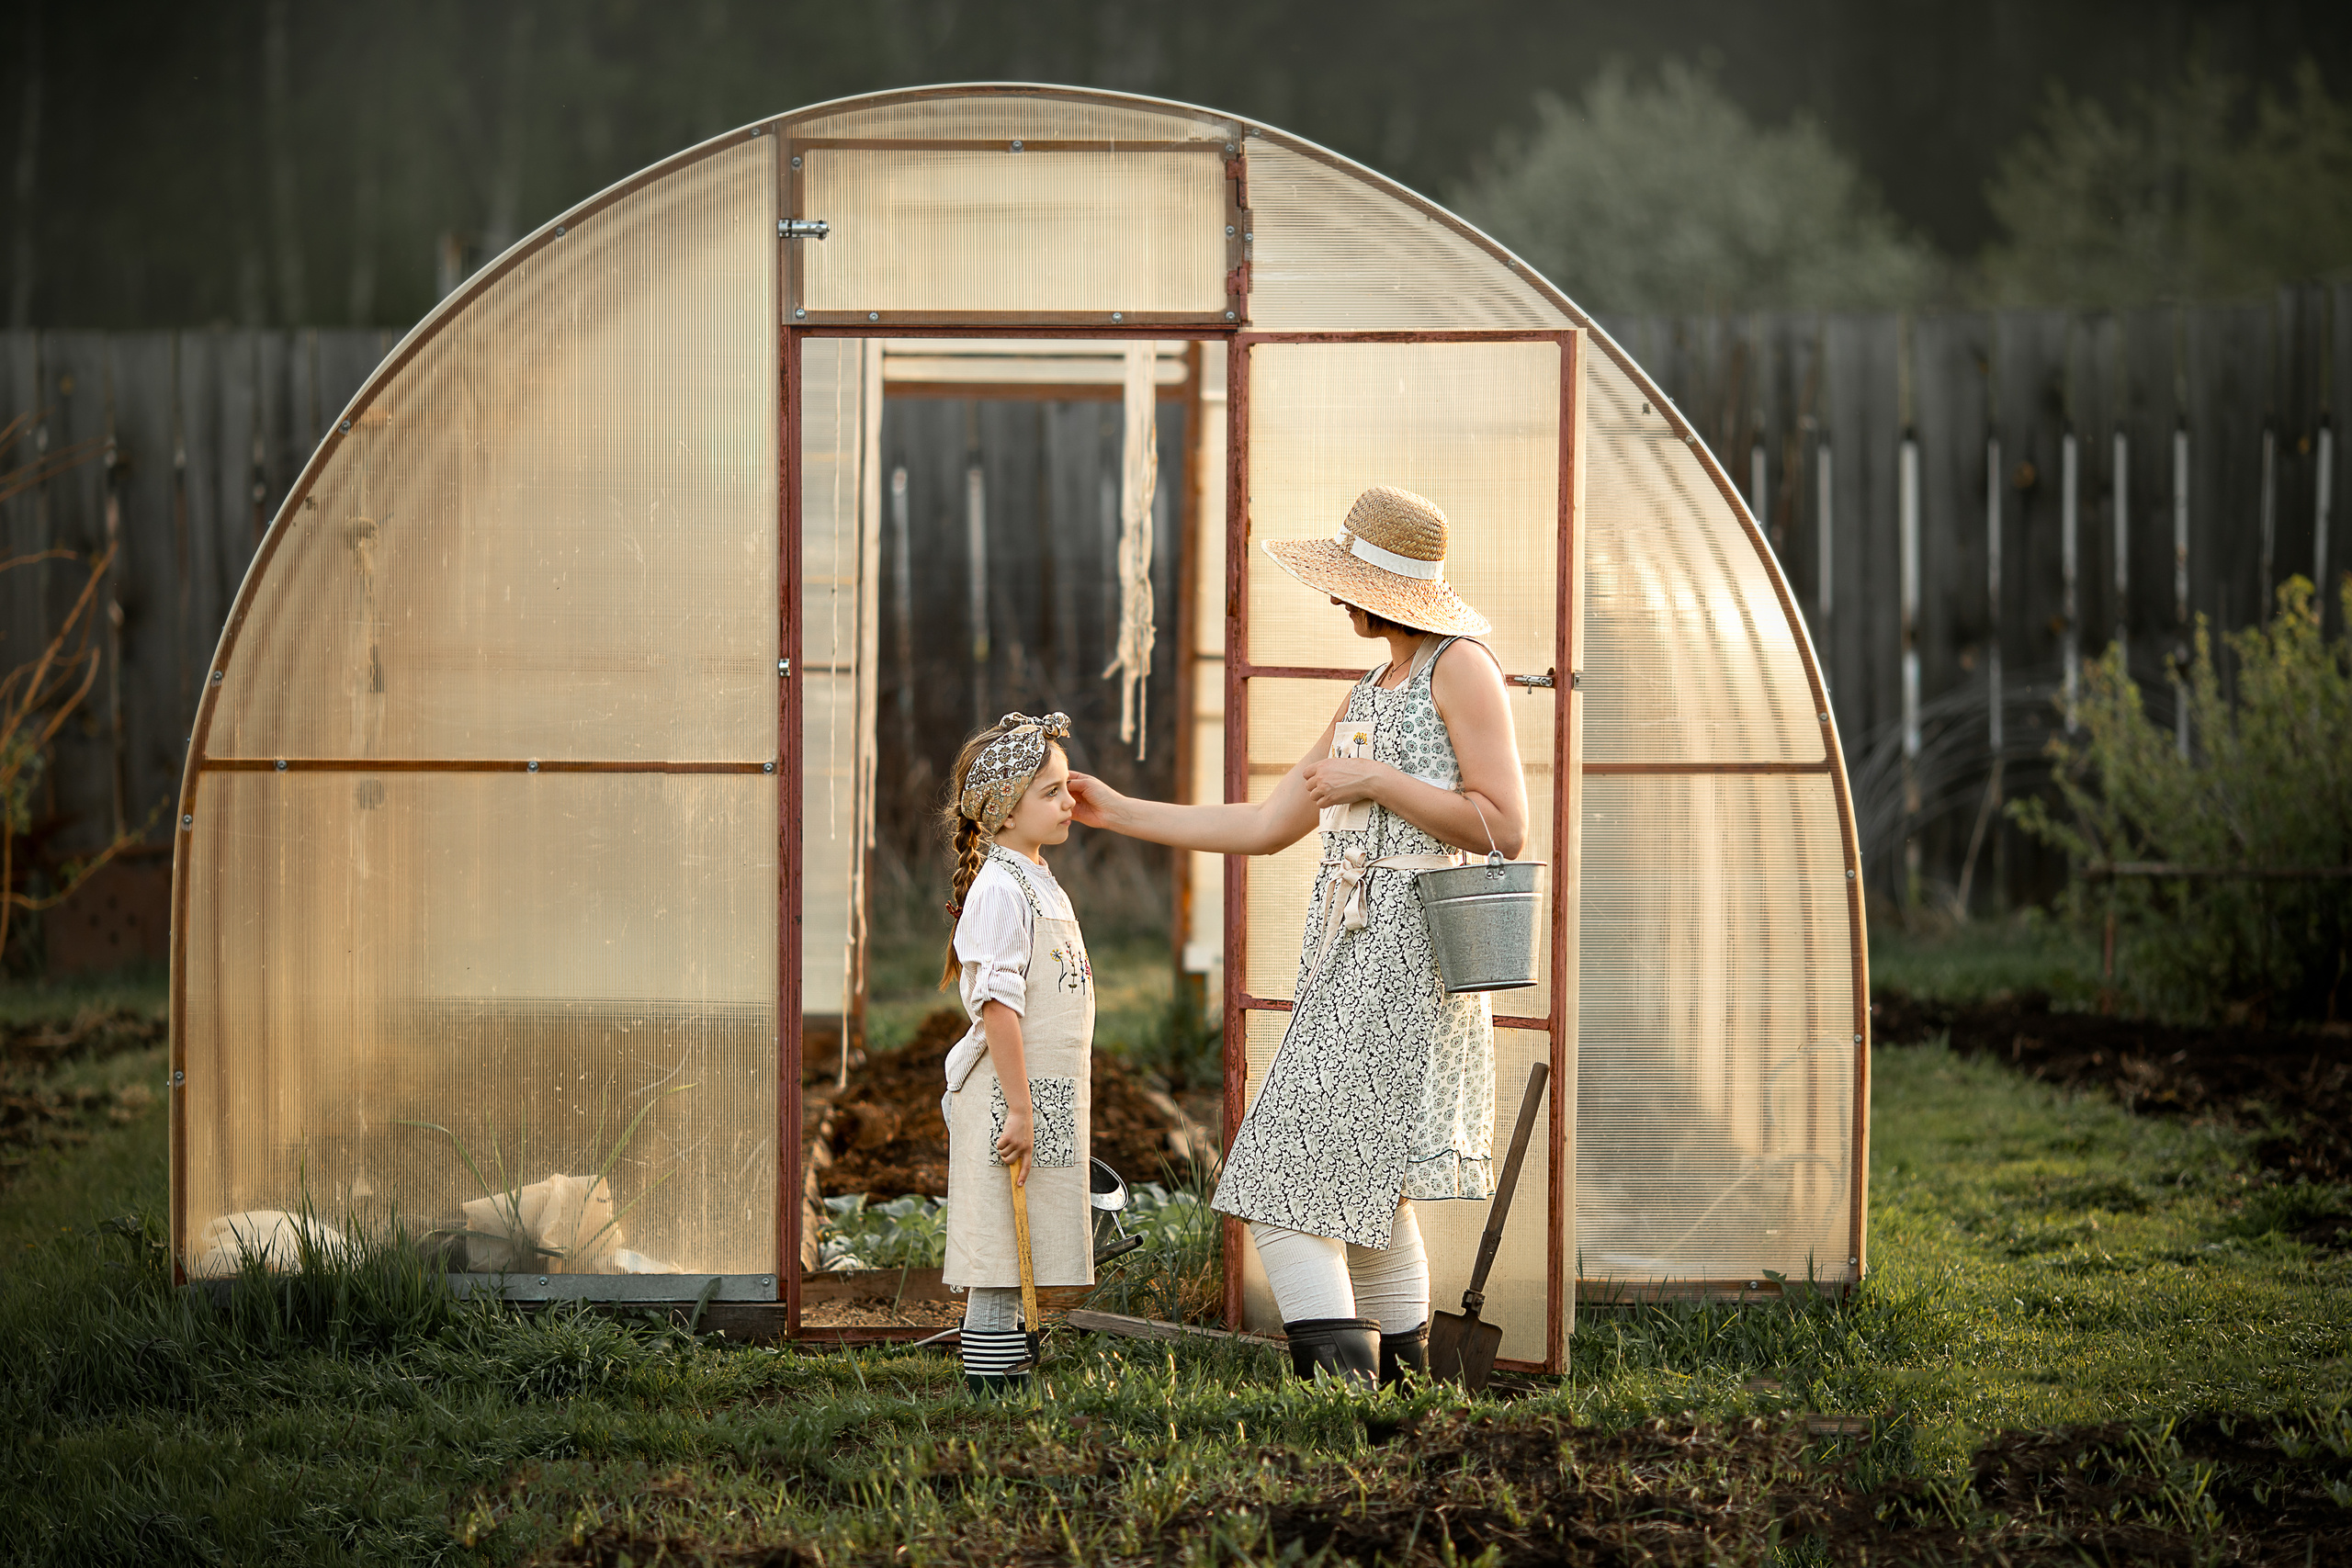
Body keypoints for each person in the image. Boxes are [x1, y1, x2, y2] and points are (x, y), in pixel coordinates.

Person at [1069, 485, 1526, 1388]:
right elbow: (1267, 823)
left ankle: (1338, 1399)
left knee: (1280, 1188)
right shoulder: (1371, 685)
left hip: (1409, 960)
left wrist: (1378, 780)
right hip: (1350, 959)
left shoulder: (1459, 666)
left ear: (1377, 590)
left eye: (1343, 581)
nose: (1332, 596)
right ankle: (1399, 1398)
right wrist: (1117, 813)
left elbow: (1504, 826)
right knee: (1370, 1196)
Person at [937, 711, 1095, 1395]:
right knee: (1000, 1250)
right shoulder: (1000, 888)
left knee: (1024, 1243)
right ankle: (992, 1391)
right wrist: (1022, 1109)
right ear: (1004, 810)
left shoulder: (1035, 873)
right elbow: (999, 1006)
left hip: (1037, 1092)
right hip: (1010, 1096)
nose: (1070, 801)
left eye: (1066, 787)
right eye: (1052, 791)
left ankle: (1012, 1375)